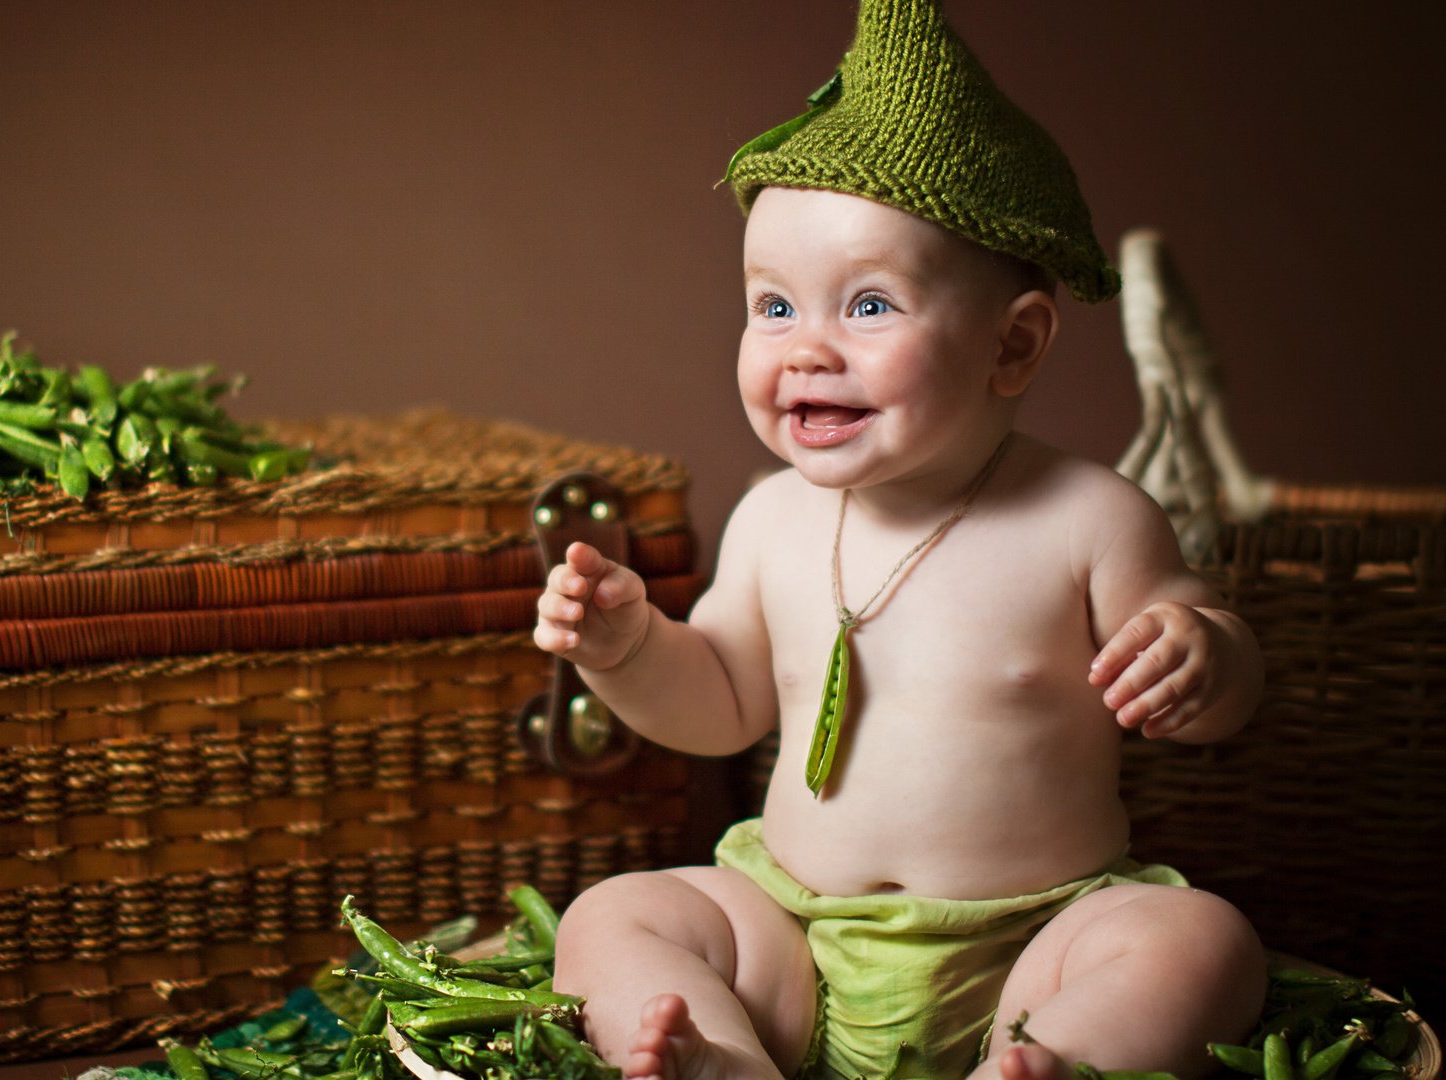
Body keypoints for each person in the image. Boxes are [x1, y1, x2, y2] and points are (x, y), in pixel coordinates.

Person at [532, 3, 1268, 1079]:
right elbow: (724, 703)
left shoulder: (1089, 516)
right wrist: (630, 651)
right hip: (795, 935)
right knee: (613, 916)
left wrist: (1204, 652)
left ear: (1011, 345)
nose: (807, 350)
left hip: (1033, 944)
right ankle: (729, 1059)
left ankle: (1047, 1060)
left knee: (1203, 945)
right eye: (773, 306)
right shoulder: (773, 517)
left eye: (870, 305)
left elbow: (1219, 670)